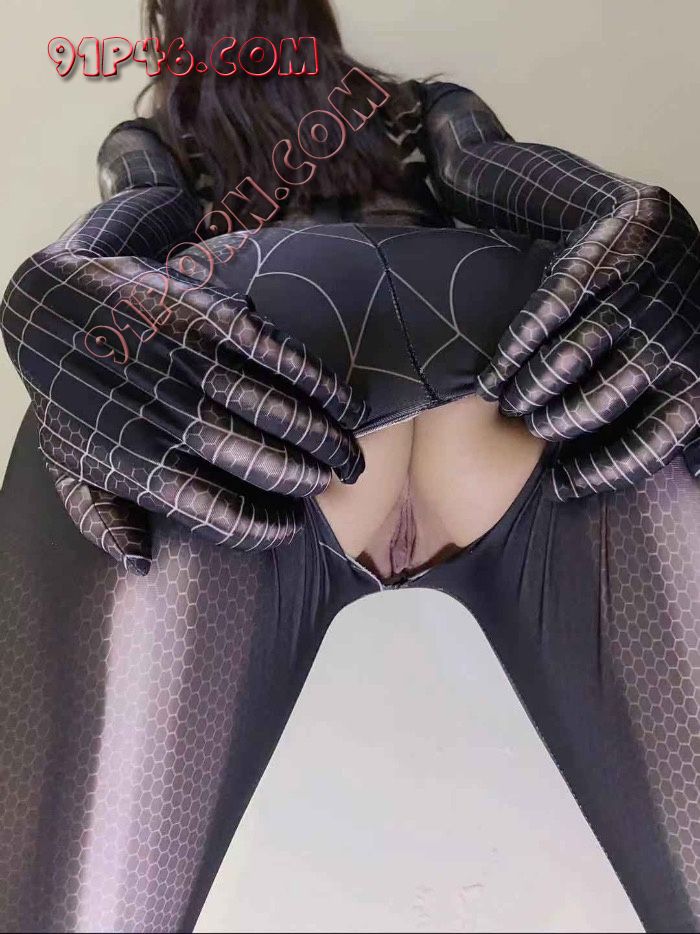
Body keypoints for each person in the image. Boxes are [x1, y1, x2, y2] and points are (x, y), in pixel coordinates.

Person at [1, 1, 699, 931]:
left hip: (256, 371)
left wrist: (45, 287)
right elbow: (489, 166)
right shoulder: (412, 106)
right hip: (510, 346)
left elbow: (129, 222)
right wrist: (641, 216)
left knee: (82, 908)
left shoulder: (162, 134)